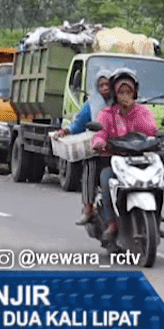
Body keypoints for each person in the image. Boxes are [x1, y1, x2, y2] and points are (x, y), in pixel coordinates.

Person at [91, 69, 157, 242]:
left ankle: (156, 216)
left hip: (139, 160)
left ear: (134, 93)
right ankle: (111, 221)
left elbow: (150, 130)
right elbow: (99, 133)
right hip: (114, 160)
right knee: (106, 179)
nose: (125, 96)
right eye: (121, 92)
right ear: (114, 94)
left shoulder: (142, 112)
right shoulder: (107, 114)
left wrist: (132, 111)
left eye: (129, 92)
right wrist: (99, 142)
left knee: (159, 179)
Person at [53, 69, 113, 225]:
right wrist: (65, 131)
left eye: (108, 84)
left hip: (118, 148)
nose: (105, 88)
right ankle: (88, 209)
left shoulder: (119, 101)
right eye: (101, 85)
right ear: (97, 87)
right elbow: (79, 123)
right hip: (99, 148)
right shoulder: (91, 104)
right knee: (90, 167)